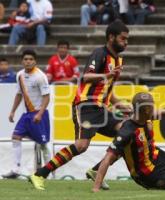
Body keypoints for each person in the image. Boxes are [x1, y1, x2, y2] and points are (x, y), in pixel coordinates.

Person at [29, 20, 132, 190]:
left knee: (128, 134)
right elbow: (86, 77)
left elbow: (106, 90)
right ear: (111, 37)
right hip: (86, 106)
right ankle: (39, 174)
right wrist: (107, 75)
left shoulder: (119, 60)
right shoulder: (100, 54)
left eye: (127, 39)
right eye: (123, 39)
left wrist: (121, 104)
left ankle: (96, 170)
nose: (126, 42)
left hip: (101, 108)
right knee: (81, 146)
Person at [2, 49, 51, 179]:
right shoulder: (20, 75)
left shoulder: (40, 76)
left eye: (30, 59)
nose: (28, 62)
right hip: (26, 115)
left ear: (35, 61)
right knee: (15, 137)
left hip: (39, 114)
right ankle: (16, 169)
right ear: (22, 61)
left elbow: (47, 97)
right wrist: (12, 111)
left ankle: (49, 171)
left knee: (43, 144)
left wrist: (40, 114)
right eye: (25, 59)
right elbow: (19, 94)